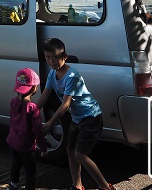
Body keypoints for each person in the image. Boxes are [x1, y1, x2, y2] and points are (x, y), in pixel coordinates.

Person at [36, 38, 115, 190]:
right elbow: (45, 96)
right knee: (70, 151)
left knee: (80, 154)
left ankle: (105, 187)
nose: (51, 61)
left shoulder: (72, 76)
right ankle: (77, 186)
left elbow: (66, 104)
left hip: (91, 117)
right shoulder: (52, 75)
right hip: (77, 118)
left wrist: (50, 122)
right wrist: (30, 111)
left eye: (55, 57)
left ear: (64, 57)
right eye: (47, 57)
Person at [6, 67, 47, 190]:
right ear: (34, 88)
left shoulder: (13, 102)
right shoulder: (32, 108)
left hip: (13, 141)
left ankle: (13, 184)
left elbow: (11, 120)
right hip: (26, 146)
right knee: (30, 171)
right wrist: (43, 147)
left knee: (16, 163)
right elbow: (38, 130)